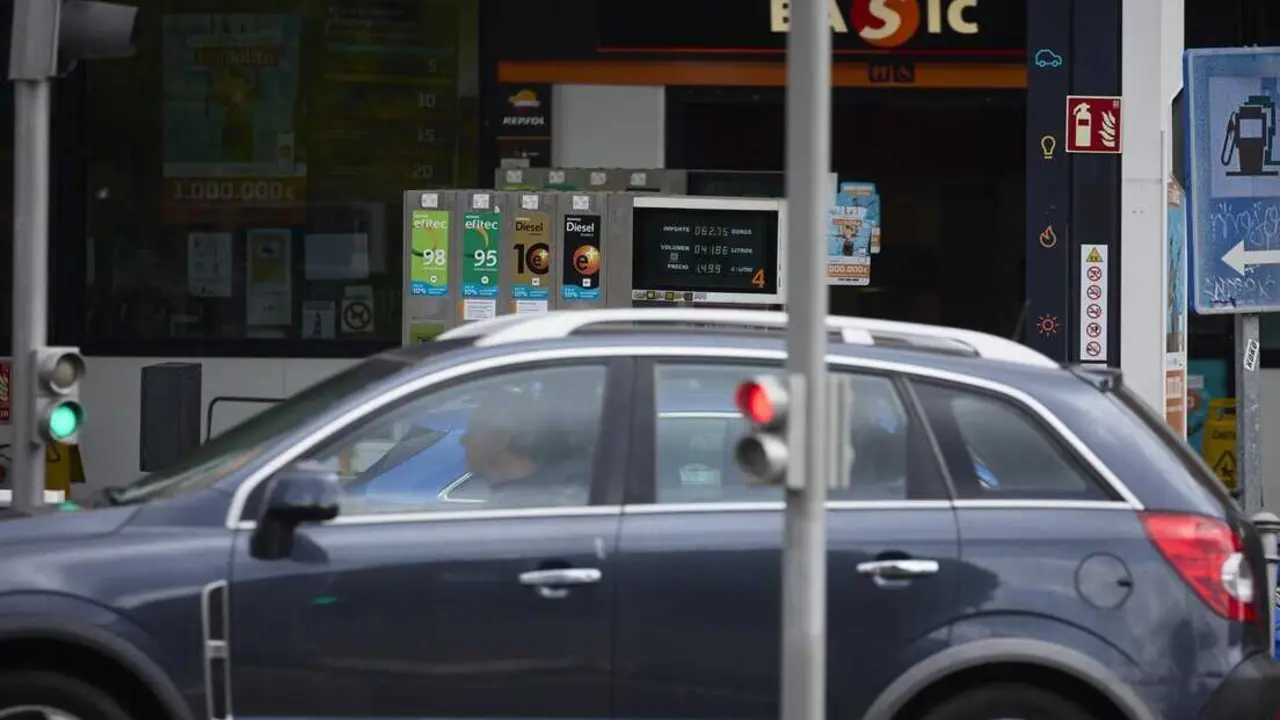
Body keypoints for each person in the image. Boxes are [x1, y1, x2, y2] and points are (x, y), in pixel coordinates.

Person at [459, 388, 591, 508]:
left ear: (499, 441)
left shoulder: (516, 509)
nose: (462, 441)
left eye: (472, 432)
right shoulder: (561, 491)